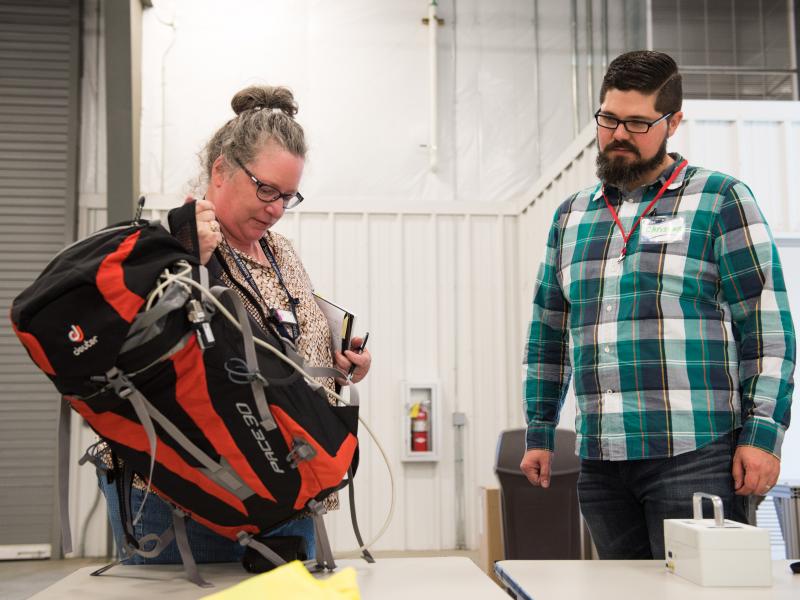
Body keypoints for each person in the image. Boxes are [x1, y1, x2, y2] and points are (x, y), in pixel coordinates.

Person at [520, 50, 794, 560]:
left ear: (674, 122)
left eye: (638, 122)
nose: (618, 134)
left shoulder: (721, 200)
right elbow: (548, 334)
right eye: (608, 119)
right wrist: (539, 430)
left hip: (696, 456)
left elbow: (767, 328)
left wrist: (761, 435)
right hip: (601, 463)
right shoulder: (572, 216)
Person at [99, 84, 371, 564]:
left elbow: (288, 340)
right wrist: (187, 261)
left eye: (288, 196)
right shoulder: (167, 243)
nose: (276, 208)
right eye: (266, 189)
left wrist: (339, 363)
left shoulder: (279, 250)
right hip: (194, 502)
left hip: (288, 491)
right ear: (220, 170)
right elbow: (128, 357)